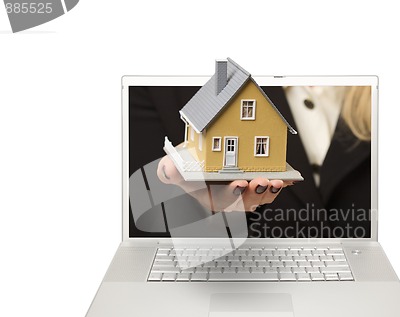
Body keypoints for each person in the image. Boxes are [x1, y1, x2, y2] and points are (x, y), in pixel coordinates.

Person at [129, 84, 371, 238]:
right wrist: (204, 210)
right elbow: (142, 235)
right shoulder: (161, 84)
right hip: (232, 287)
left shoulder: (375, 91)